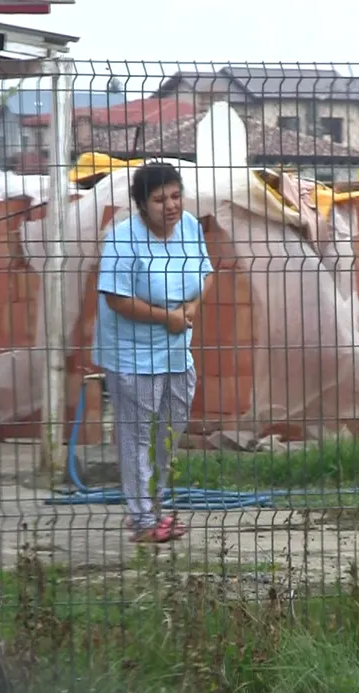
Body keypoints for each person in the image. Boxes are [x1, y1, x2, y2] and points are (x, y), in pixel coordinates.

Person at [93, 162, 214, 544]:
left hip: (177, 348)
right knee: (136, 435)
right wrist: (167, 317)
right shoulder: (122, 238)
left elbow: (207, 273)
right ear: (142, 205)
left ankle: (157, 507)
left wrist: (192, 307)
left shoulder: (191, 226)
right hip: (132, 354)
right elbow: (115, 298)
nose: (171, 206)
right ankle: (142, 519)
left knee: (171, 430)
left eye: (176, 196)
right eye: (160, 199)